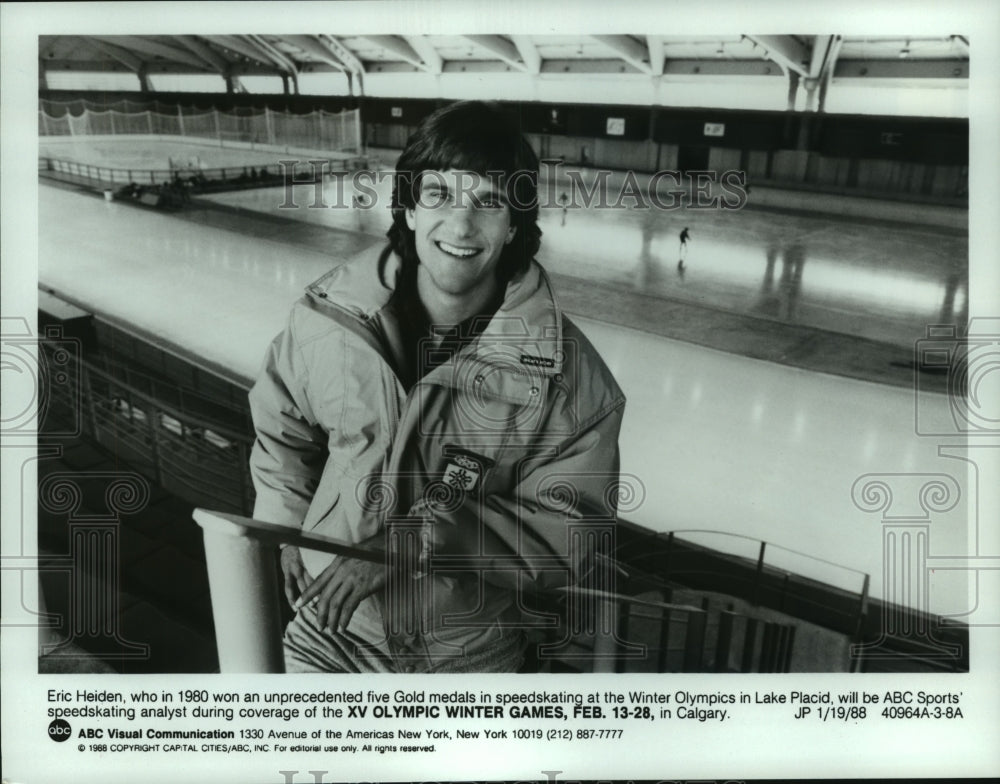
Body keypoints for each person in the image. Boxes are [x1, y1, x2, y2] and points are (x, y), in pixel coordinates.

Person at [248, 100, 626, 674]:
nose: (461, 225)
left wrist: (412, 543)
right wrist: (287, 529)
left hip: (465, 654)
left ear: (516, 223)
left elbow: (568, 531)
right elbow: (282, 428)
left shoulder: (574, 384)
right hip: (331, 630)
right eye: (439, 195)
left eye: (489, 202)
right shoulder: (327, 323)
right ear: (408, 208)